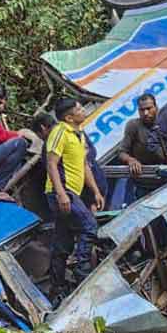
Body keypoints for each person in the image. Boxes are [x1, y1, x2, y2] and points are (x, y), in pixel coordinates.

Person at [44, 98, 104, 303]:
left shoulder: (79, 135)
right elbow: (51, 163)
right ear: (69, 117)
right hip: (62, 192)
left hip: (72, 194)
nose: (82, 110)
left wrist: (95, 191)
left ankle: (57, 287)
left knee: (63, 241)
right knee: (89, 227)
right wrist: (61, 193)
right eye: (78, 108)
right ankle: (82, 274)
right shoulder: (59, 131)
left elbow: (85, 166)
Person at [119, 93, 167, 198]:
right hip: (145, 185)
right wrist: (131, 160)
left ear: (156, 107)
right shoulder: (133, 126)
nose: (145, 113)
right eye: (142, 110)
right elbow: (122, 152)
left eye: (149, 108)